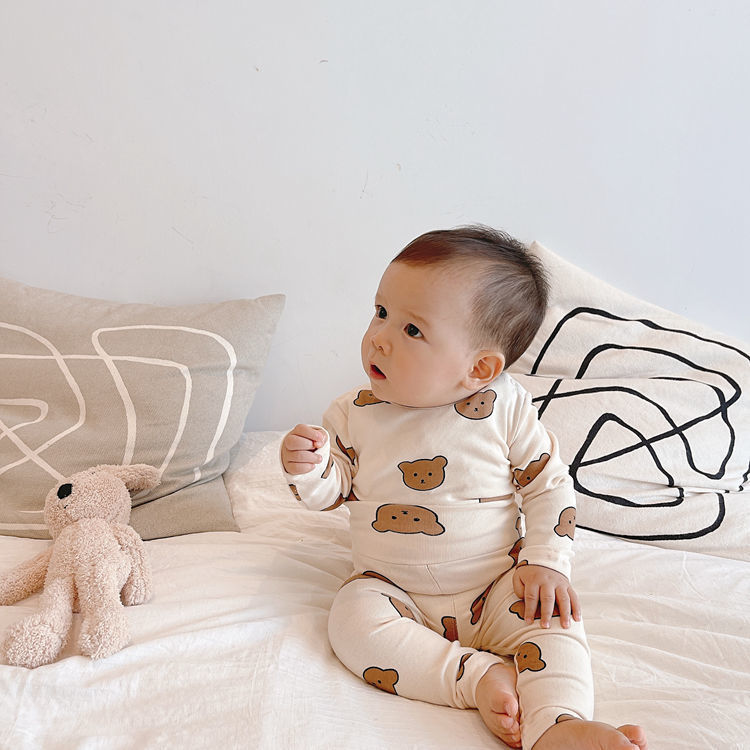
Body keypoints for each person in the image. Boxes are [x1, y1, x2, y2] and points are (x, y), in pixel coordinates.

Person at [280, 226, 648, 750]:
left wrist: (545, 561)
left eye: (412, 329)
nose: (379, 336)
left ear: (479, 368)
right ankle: (474, 677)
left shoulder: (505, 409)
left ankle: (557, 723)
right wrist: (309, 468)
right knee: (350, 620)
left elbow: (548, 485)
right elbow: (331, 491)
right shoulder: (353, 413)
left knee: (555, 620)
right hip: (394, 590)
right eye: (381, 312)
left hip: (496, 585)